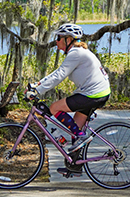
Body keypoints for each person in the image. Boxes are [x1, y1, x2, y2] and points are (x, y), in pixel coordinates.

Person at [25, 23, 111, 174]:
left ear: (68, 39)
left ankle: (80, 137)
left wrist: (38, 91)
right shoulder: (77, 52)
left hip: (93, 94)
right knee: (75, 130)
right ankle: (75, 166)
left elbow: (59, 76)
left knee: (54, 107)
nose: (56, 41)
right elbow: (57, 73)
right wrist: (37, 84)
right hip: (95, 93)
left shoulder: (76, 53)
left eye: (58, 38)